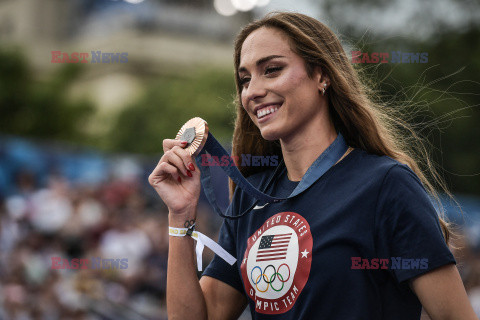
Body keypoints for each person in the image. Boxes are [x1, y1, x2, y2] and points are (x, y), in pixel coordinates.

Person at [148, 12, 478, 320]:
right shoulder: (250, 198)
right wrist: (180, 216)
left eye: (272, 69)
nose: (253, 91)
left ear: (321, 75)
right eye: (245, 79)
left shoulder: (385, 185)